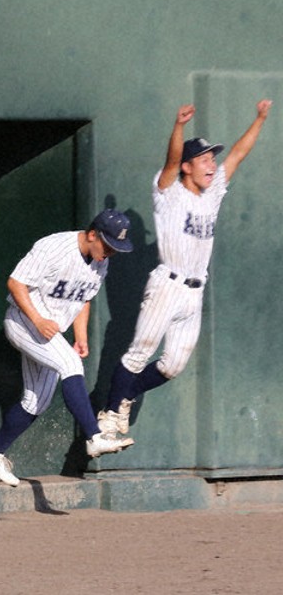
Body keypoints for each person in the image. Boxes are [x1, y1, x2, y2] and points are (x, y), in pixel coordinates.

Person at [99, 101, 272, 438]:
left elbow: (237, 154)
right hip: (168, 285)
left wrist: (260, 119)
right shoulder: (169, 192)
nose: (212, 164)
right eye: (205, 159)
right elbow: (171, 161)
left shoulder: (213, 193)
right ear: (188, 167)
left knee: (172, 366)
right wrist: (178, 127)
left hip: (195, 292)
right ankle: (109, 412)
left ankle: (127, 396)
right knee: (139, 354)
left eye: (212, 159)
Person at [0, 210, 137, 487]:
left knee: (36, 402)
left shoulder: (100, 262)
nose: (111, 252)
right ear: (91, 235)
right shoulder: (53, 246)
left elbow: (83, 298)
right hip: (23, 321)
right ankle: (94, 436)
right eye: (108, 245)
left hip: (51, 330)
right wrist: (37, 319)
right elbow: (16, 283)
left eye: (115, 248)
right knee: (71, 365)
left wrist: (81, 335)